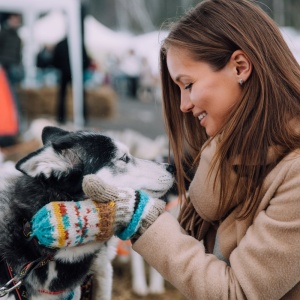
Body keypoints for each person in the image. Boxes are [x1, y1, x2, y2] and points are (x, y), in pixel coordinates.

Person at [29, 0, 300, 299]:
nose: (183, 105)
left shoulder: (294, 175)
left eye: (188, 84)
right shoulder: (225, 154)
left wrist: (142, 219)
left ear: (240, 67)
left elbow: (238, 292)